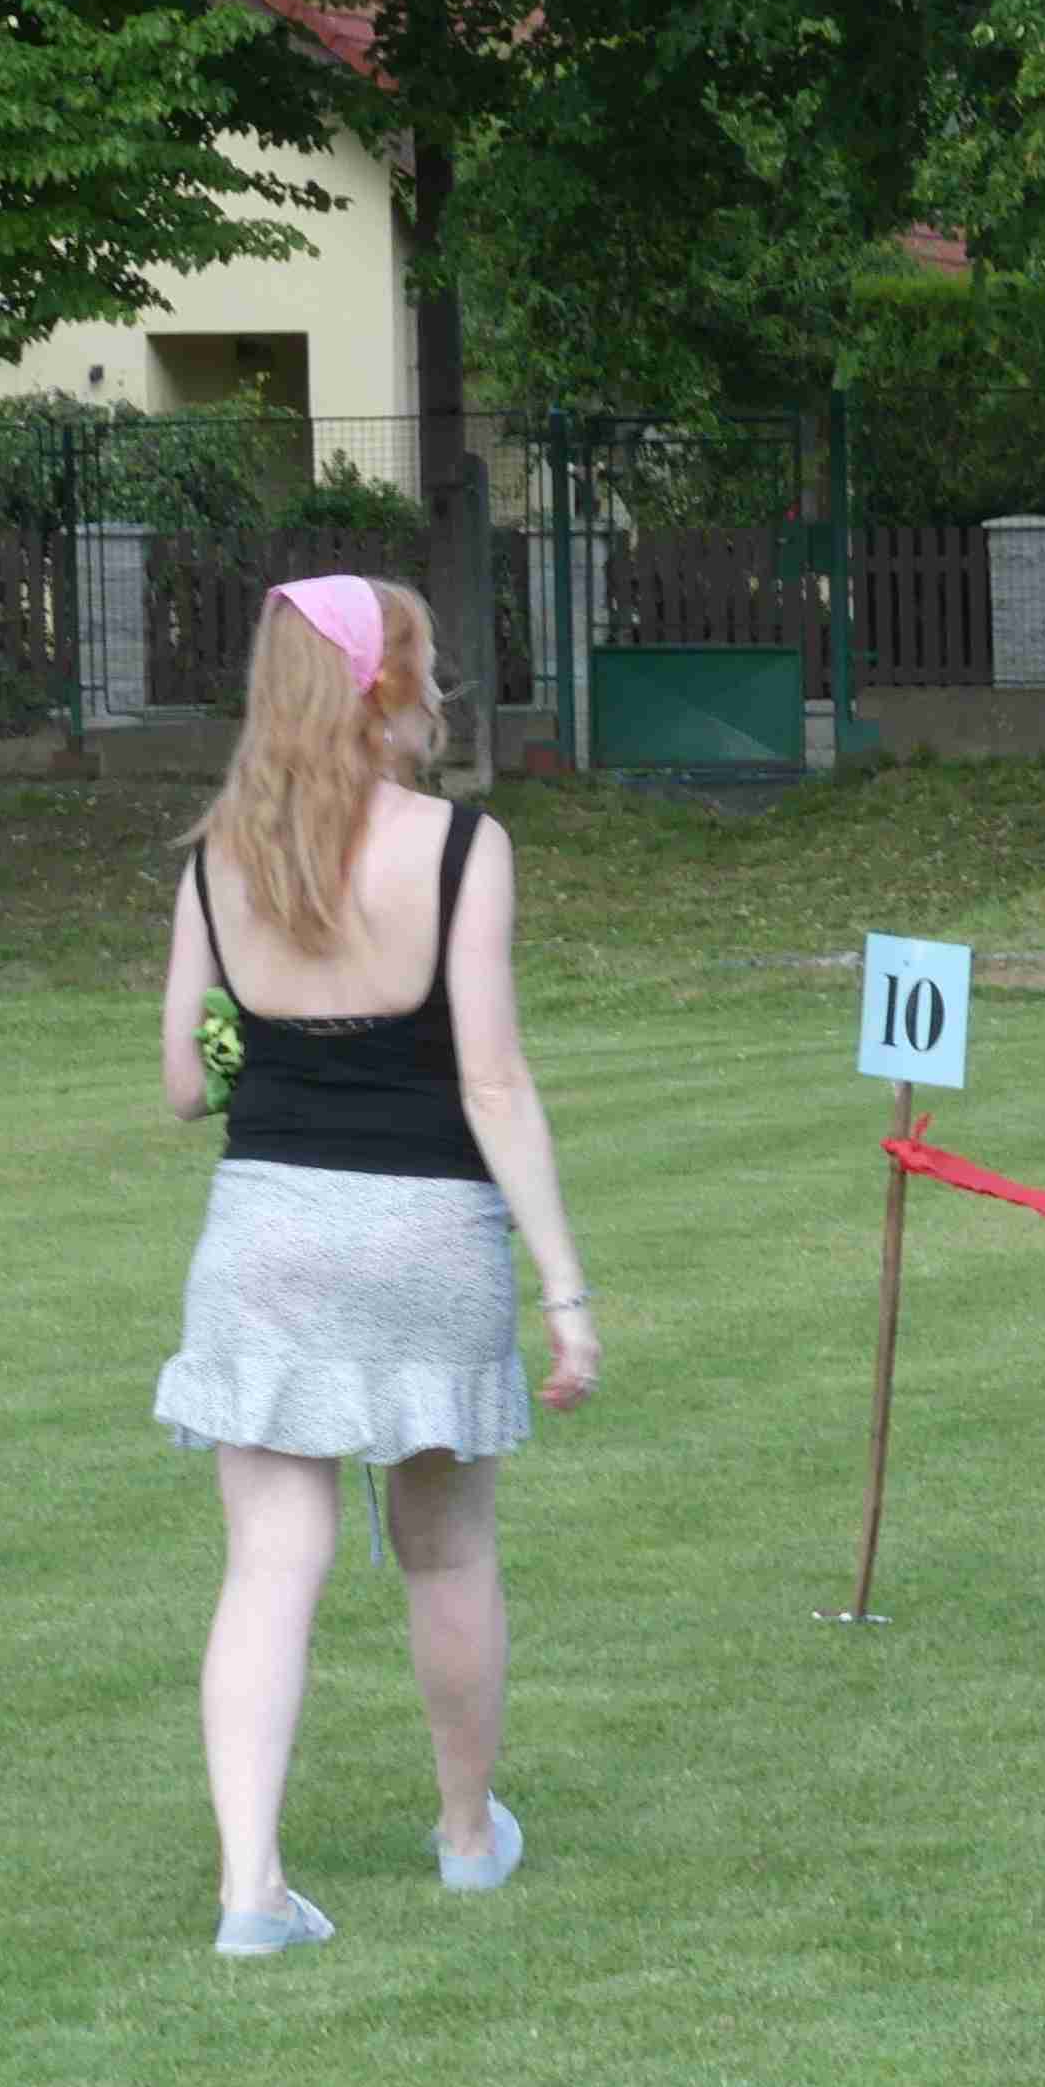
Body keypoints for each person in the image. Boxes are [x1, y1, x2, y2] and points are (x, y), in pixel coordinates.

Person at [151, 576, 598, 1957]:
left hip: (265, 1232)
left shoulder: (217, 858)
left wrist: (258, 1036)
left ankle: (250, 1889)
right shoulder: (461, 847)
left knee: (267, 1564)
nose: (440, 689)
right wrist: (565, 1289)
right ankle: (466, 1836)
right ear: (383, 688)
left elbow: (185, 1083)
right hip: (428, 1239)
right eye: (427, 665)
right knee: (446, 1548)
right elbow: (494, 1081)